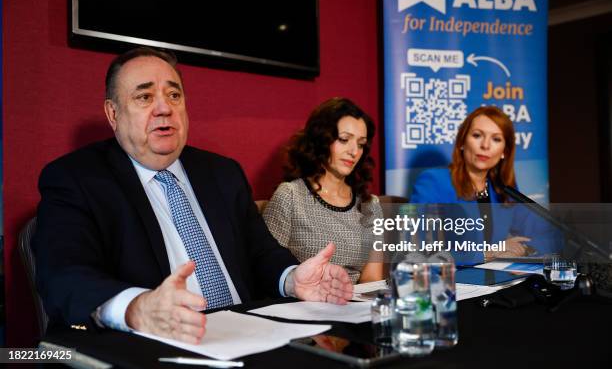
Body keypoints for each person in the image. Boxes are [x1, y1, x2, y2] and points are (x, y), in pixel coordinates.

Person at [33, 47, 353, 344]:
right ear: (113, 114)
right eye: (144, 97)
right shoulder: (75, 178)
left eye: (174, 95)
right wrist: (137, 308)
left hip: (245, 338)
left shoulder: (222, 173)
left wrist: (293, 279)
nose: (164, 108)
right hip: (154, 347)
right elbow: (64, 277)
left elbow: (260, 253)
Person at [410, 106, 559, 262]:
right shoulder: (434, 182)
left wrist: (526, 249)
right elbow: (421, 249)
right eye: (477, 135)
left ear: (504, 152)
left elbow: (552, 235)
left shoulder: (502, 189)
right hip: (450, 282)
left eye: (496, 139)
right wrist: (489, 253)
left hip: (497, 281)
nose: (486, 145)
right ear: (462, 142)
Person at [263, 98, 383, 284]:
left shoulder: (370, 205)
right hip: (303, 305)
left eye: (361, 144)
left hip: (354, 306)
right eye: (344, 139)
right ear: (321, 140)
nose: (354, 151)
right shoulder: (290, 195)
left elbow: (372, 281)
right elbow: (265, 266)